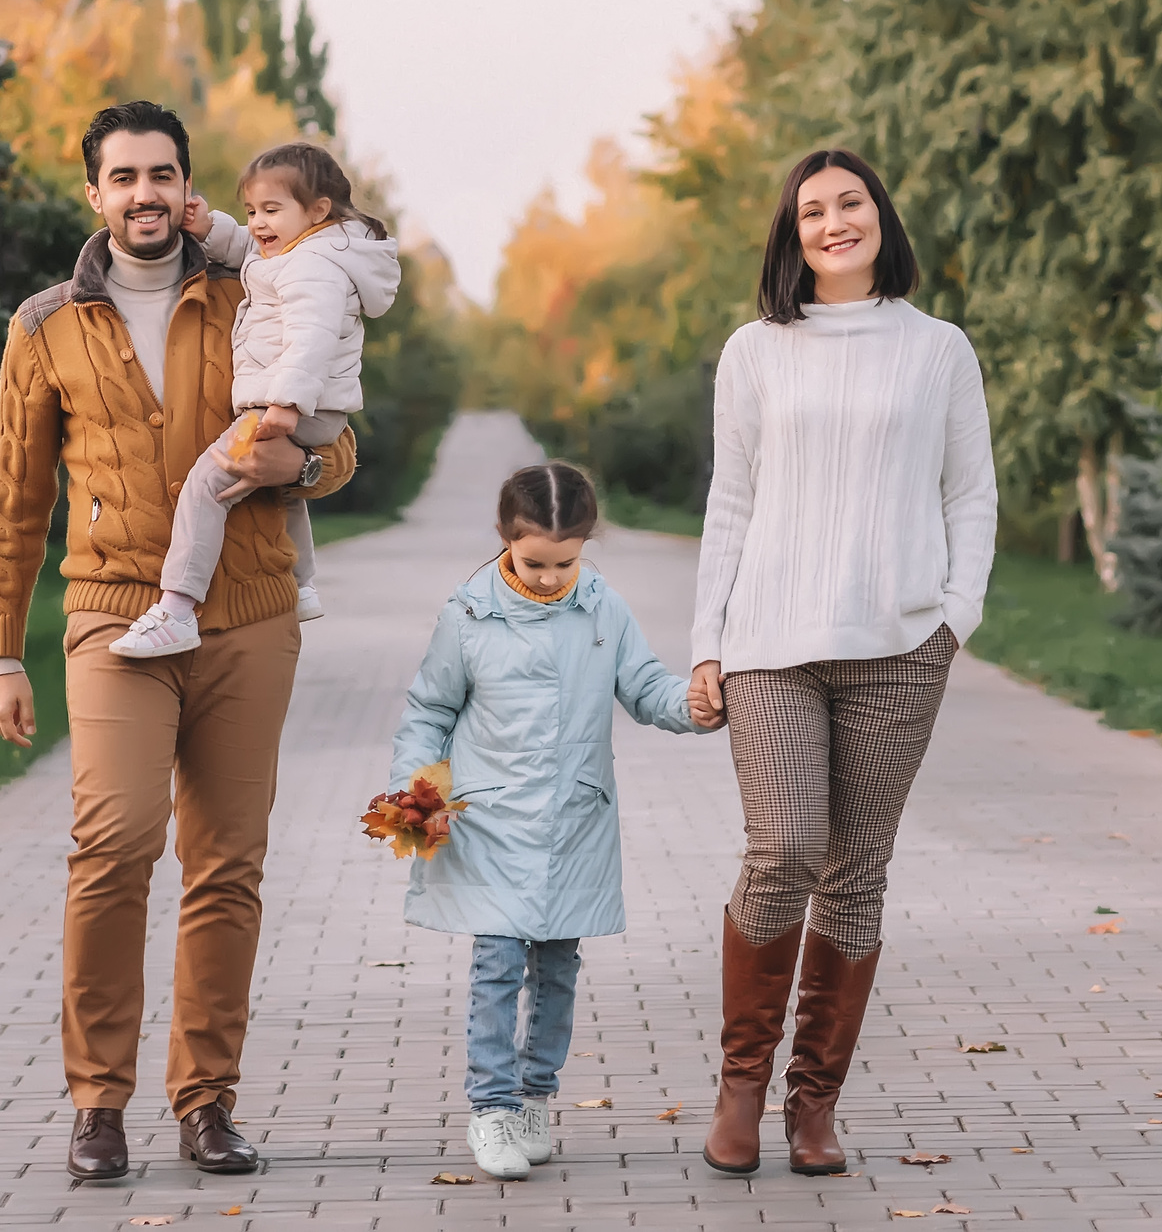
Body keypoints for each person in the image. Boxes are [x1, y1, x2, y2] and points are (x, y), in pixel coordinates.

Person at [0, 102, 349, 1183]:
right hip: (109, 615)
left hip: (249, 611)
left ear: (188, 188)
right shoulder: (45, 324)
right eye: (123, 176)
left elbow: (338, 440)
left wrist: (308, 472)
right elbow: (15, 498)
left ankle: (206, 1101)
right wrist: (2, 652)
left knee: (227, 864)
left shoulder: (256, 287)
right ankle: (98, 1103)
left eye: (162, 174)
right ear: (94, 194)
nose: (144, 193)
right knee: (113, 846)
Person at [685, 148, 997, 1179]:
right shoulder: (755, 350)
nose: (832, 222)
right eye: (811, 210)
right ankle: (741, 1084)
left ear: (878, 216)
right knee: (781, 851)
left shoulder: (938, 349)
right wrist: (707, 645)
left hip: (900, 649)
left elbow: (969, 495)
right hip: (772, 646)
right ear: (793, 234)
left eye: (849, 202)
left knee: (856, 876)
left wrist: (955, 616)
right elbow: (729, 502)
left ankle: (812, 1107)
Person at [386, 462, 720, 1181]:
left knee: (559, 966)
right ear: (505, 540)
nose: (546, 576)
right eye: (533, 561)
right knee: (498, 964)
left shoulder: (604, 610)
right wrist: (413, 793)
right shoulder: (469, 614)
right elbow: (429, 711)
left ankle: (536, 1096)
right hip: (490, 821)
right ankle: (492, 1108)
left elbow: (645, 685)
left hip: (572, 820)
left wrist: (691, 705)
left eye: (563, 562)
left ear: (586, 546)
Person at [111, 140, 400, 655]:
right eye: (250, 211)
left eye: (270, 210)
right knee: (279, 490)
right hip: (313, 407)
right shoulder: (304, 251)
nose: (258, 224)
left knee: (206, 485)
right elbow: (253, 254)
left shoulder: (313, 268)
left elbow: (311, 337)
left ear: (317, 211)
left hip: (287, 404)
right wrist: (214, 228)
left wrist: (286, 404)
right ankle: (303, 584)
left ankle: (177, 609)